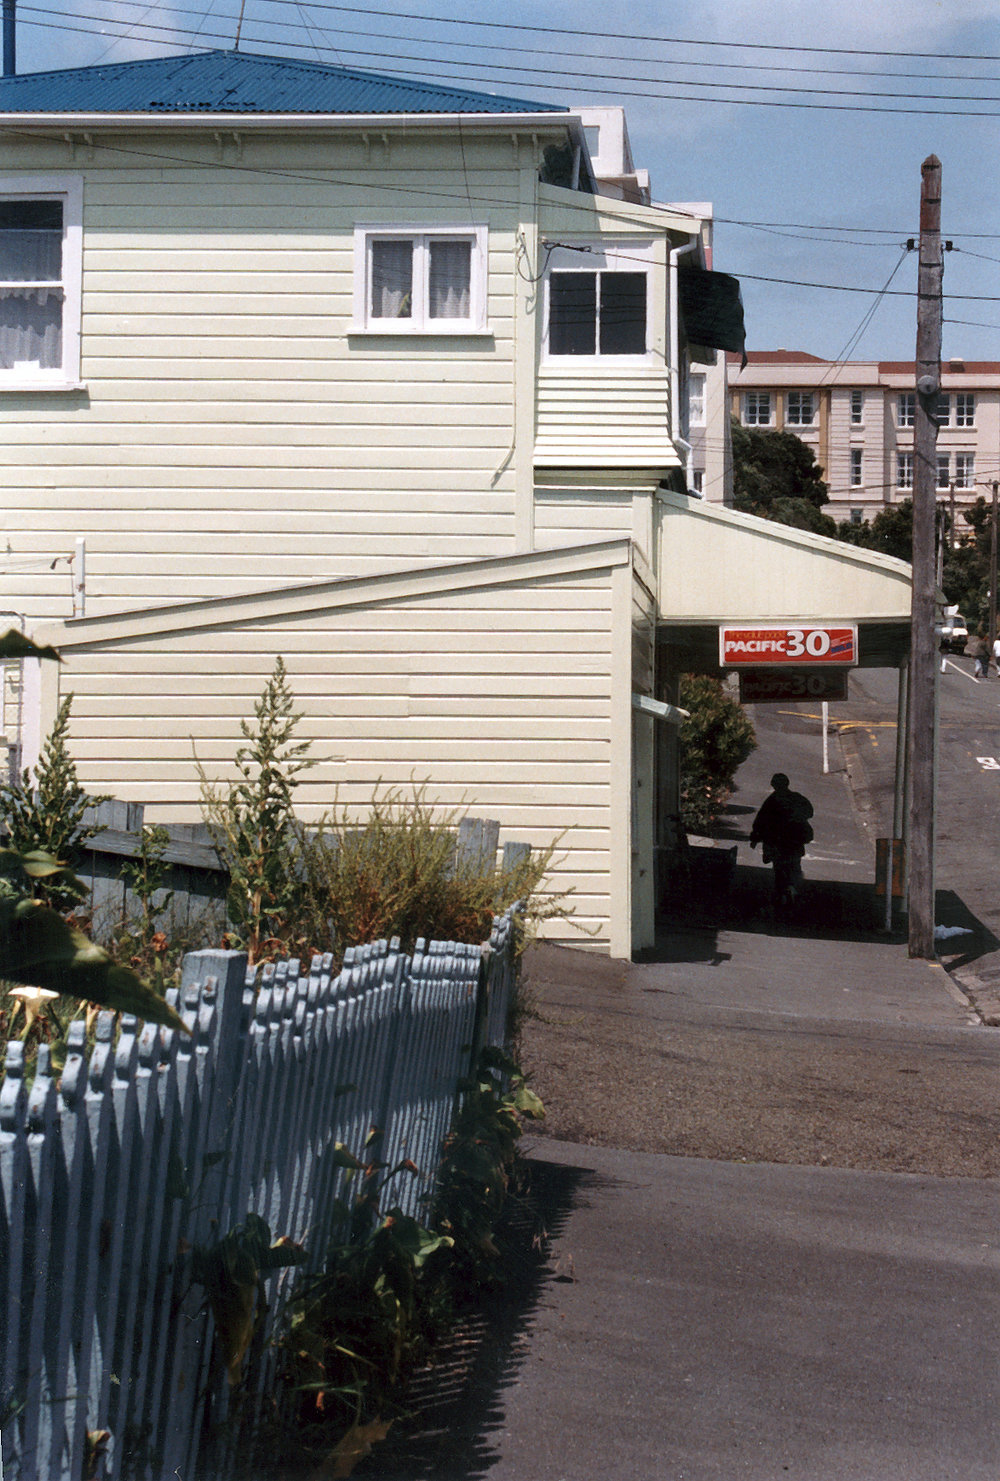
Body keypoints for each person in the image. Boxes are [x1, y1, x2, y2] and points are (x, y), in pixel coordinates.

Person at [749, 772, 814, 910]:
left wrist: (755, 838)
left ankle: (781, 895)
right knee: (794, 866)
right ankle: (792, 890)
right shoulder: (797, 798)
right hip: (794, 842)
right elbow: (809, 811)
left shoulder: (772, 801)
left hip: (777, 842)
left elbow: (761, 821)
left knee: (779, 869)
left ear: (773, 785)